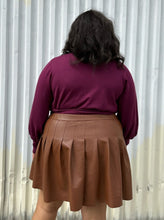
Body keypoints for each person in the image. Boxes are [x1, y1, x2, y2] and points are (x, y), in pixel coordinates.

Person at [28, 9, 138, 220]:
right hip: (103, 145)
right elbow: (130, 119)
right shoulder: (120, 72)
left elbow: (37, 114)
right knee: (94, 212)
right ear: (108, 38)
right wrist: (114, 145)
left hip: (57, 143)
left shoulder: (54, 68)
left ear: (75, 35)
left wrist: (36, 145)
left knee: (47, 207)